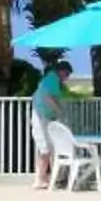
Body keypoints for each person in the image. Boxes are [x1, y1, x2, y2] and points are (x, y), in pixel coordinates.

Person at [30, 56, 70, 186]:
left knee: (49, 147)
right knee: (45, 148)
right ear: (62, 71)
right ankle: (40, 179)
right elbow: (48, 97)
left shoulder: (52, 80)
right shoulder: (52, 78)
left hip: (45, 117)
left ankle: (47, 177)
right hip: (41, 117)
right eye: (67, 74)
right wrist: (59, 111)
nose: (67, 77)